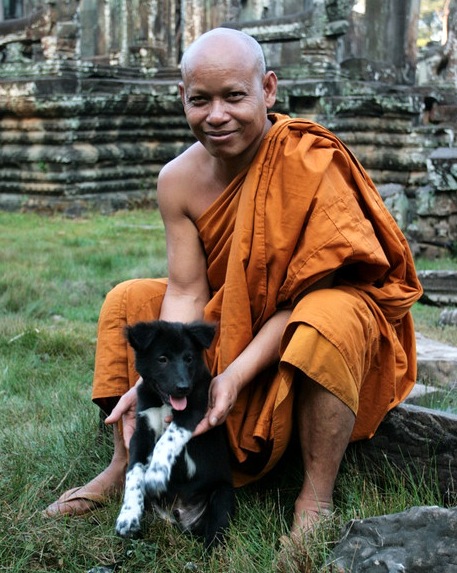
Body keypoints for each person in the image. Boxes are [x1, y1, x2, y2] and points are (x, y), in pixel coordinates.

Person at [44, 27, 422, 541]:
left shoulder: (309, 160)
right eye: (200, 100)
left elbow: (302, 299)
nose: (216, 115)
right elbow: (185, 291)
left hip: (301, 321)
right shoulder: (177, 180)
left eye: (234, 96)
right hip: (233, 316)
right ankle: (123, 465)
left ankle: (316, 498)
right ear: (182, 99)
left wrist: (233, 378)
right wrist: (156, 379)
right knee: (129, 301)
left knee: (325, 317)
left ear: (267, 89)